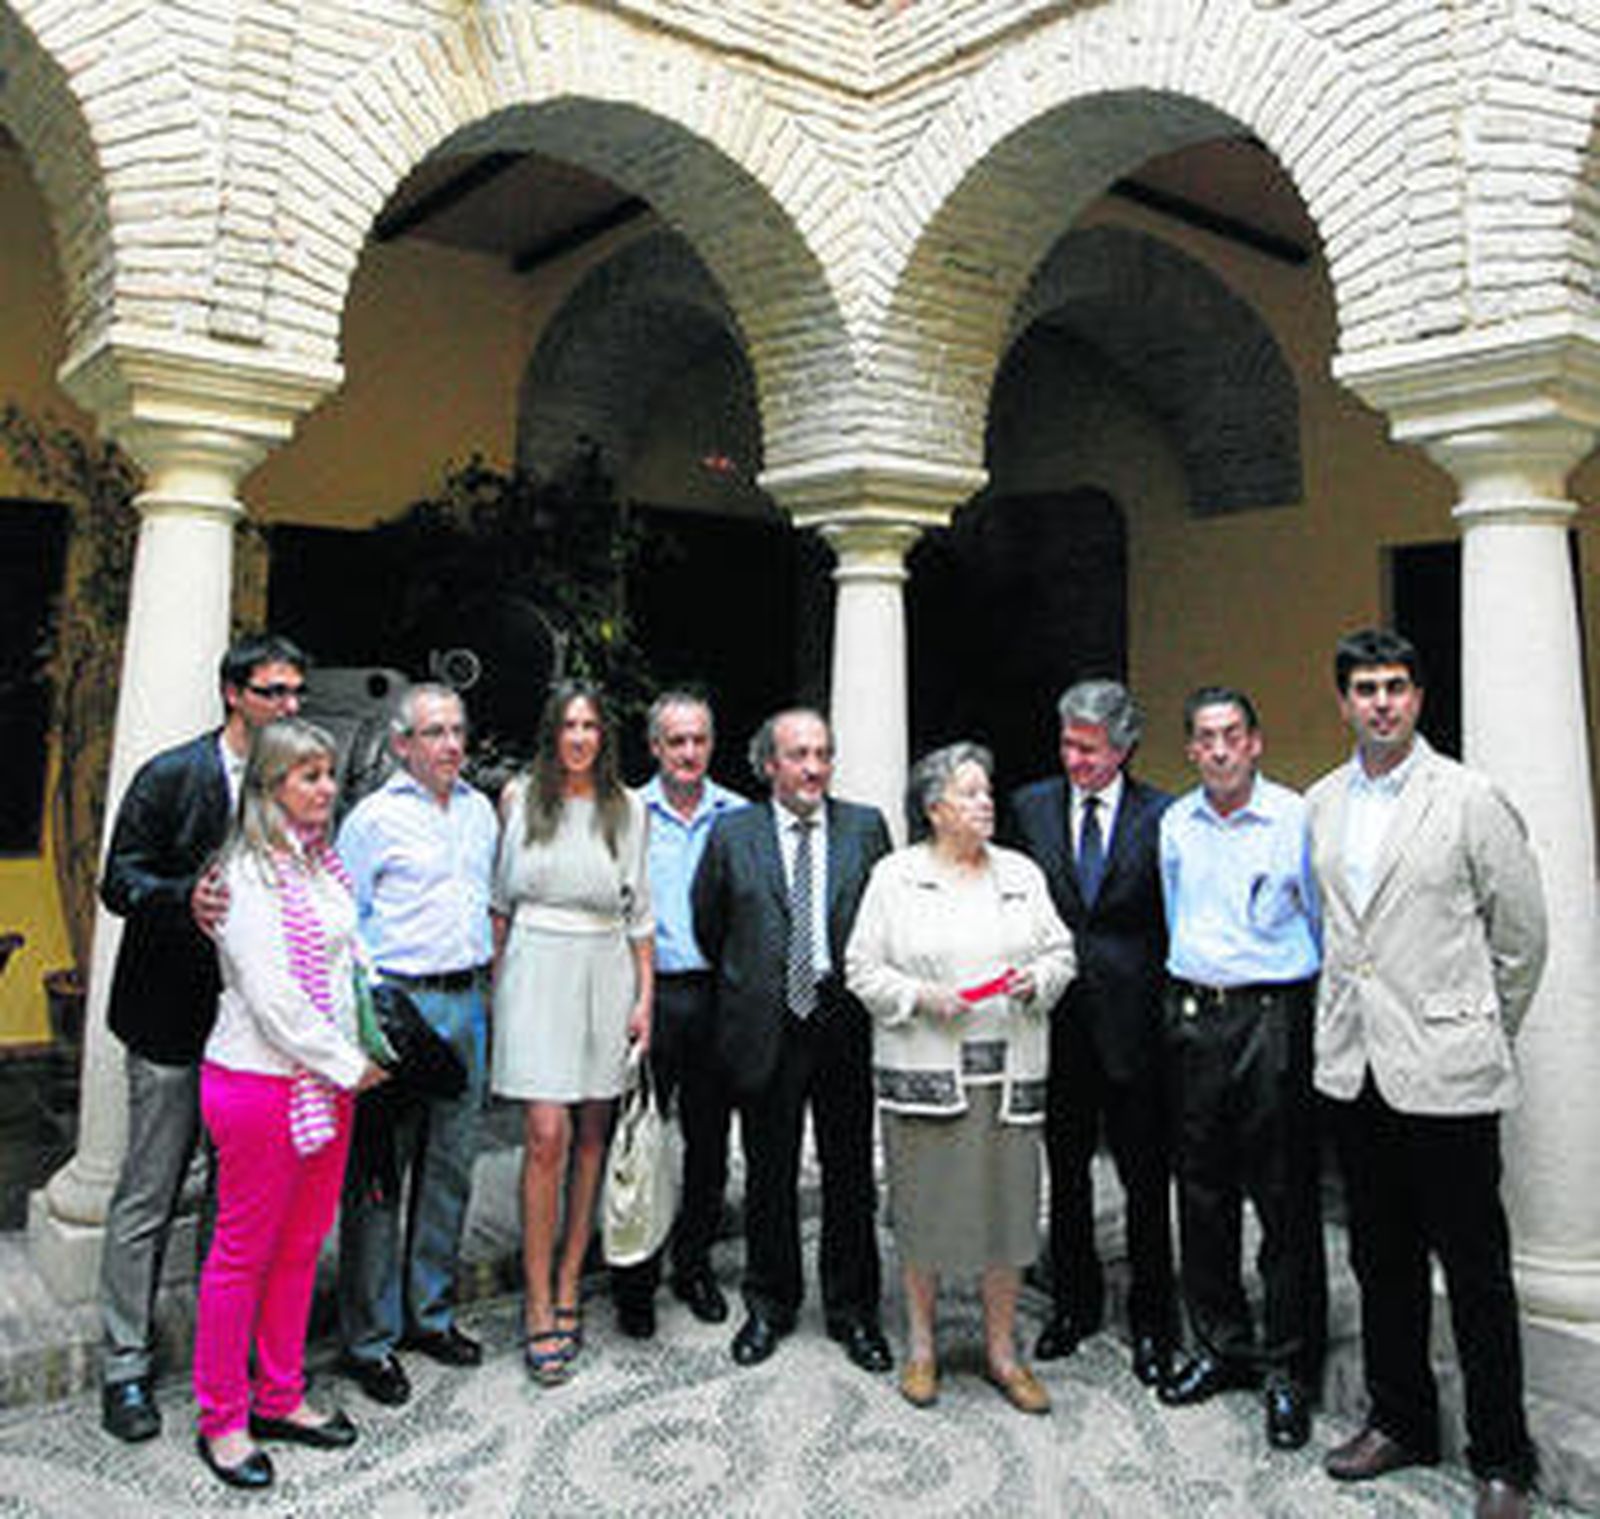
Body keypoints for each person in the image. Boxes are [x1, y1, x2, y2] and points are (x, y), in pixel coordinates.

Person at [1307, 630, 1546, 1519]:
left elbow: (1521, 935)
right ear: (1343, 702)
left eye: (1396, 687)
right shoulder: (1324, 803)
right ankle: (1399, 1416)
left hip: (1448, 1072)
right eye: (1365, 688)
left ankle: (1503, 1458)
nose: (1381, 702)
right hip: (1357, 1069)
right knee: (1381, 1259)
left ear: (1418, 698)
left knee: (1476, 1272)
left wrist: (1477, 1027)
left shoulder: (1471, 797)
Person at [97, 633, 308, 1443]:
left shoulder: (300, 785)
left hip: (258, 1037)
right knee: (149, 1193)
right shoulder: (172, 774)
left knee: (238, 1205)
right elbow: (119, 880)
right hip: (172, 1022)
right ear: (233, 693)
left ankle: (231, 1363)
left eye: (295, 691)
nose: (289, 705)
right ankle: (124, 1363)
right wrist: (184, 896)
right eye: (272, 691)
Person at [846, 743, 1075, 1414]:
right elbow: (861, 967)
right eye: (969, 793)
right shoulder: (894, 876)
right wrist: (920, 996)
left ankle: (1003, 1352)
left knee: (1007, 1214)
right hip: (925, 1071)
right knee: (925, 1210)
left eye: (986, 790)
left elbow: (1062, 951)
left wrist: (1041, 979)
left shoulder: (1022, 873)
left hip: (1009, 1073)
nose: (985, 803)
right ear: (934, 808)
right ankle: (922, 1347)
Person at [193, 719, 385, 1490]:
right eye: (309, 775)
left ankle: (280, 1394)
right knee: (242, 1252)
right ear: (270, 787)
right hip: (261, 1084)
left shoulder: (319, 865)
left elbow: (348, 959)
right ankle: (223, 1417)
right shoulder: (242, 875)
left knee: (303, 1243)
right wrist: (349, 1062)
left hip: (326, 1086)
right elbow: (273, 1000)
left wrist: (358, 1050)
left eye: (329, 774)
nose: (326, 788)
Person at [691, 708, 891, 1373]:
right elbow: (709, 923)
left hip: (842, 1022)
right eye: (798, 754)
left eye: (822, 754)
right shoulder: (732, 833)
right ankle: (770, 1304)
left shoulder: (866, 828)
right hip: (766, 1023)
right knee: (769, 1173)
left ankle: (854, 1309)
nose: (813, 767)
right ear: (769, 764)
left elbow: (884, 919)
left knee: (850, 1174)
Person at [1155, 687, 1326, 1450]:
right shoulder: (1175, 824)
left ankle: (1291, 1369)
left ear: (1255, 742)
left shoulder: (1296, 818)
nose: (1219, 749)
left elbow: (1322, 917)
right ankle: (1221, 1345)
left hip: (1272, 1015)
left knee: (1284, 1196)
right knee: (1201, 1190)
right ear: (1190, 750)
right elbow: (1175, 912)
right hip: (1194, 1013)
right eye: (1204, 738)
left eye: (1232, 735)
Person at [1007, 679, 1178, 1385]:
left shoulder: (1164, 815)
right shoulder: (1030, 806)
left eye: (1090, 747)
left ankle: (1153, 1322)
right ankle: (1073, 1305)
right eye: (1068, 744)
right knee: (1068, 1173)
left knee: (1145, 1181)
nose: (1075, 758)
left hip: (1136, 1029)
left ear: (1124, 748)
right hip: (1057, 1025)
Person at [334, 684, 498, 1406]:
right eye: (435, 732)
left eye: (458, 730)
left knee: (450, 1167)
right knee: (379, 1178)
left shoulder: (481, 810)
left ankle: (429, 1315)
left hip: (466, 1000)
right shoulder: (371, 819)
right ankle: (368, 1339)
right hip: (398, 1005)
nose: (452, 744)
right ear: (402, 744)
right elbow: (345, 922)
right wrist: (368, 1021)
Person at [491, 680, 653, 1384]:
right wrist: (499, 990)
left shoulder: (630, 808)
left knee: (593, 1133)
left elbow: (641, 913)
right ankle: (533, 1299)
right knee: (546, 1133)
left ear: (603, 736)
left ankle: (566, 1281)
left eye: (591, 724)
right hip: (535, 964)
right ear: (551, 733)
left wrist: (644, 998)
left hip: (606, 965)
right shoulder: (519, 798)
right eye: (569, 724)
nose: (580, 736)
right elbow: (499, 903)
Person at [611, 691, 746, 1338]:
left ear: (710, 744)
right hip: (647, 995)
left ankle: (694, 1264)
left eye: (698, 739)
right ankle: (633, 1277)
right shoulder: (627, 814)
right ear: (655, 746)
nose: (688, 752)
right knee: (635, 1139)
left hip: (717, 996)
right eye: (675, 741)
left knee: (709, 1141)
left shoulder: (739, 816)